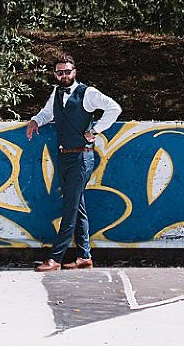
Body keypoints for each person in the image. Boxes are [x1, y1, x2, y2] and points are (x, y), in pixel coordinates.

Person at [24, 53, 121, 271]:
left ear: (74, 72)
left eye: (68, 71)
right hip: (64, 155)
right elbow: (47, 114)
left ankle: (55, 258)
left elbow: (114, 108)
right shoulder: (57, 92)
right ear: (55, 74)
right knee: (78, 206)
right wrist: (34, 121)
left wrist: (95, 129)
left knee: (70, 208)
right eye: (60, 72)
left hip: (81, 157)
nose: (64, 75)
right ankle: (84, 256)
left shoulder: (88, 93)